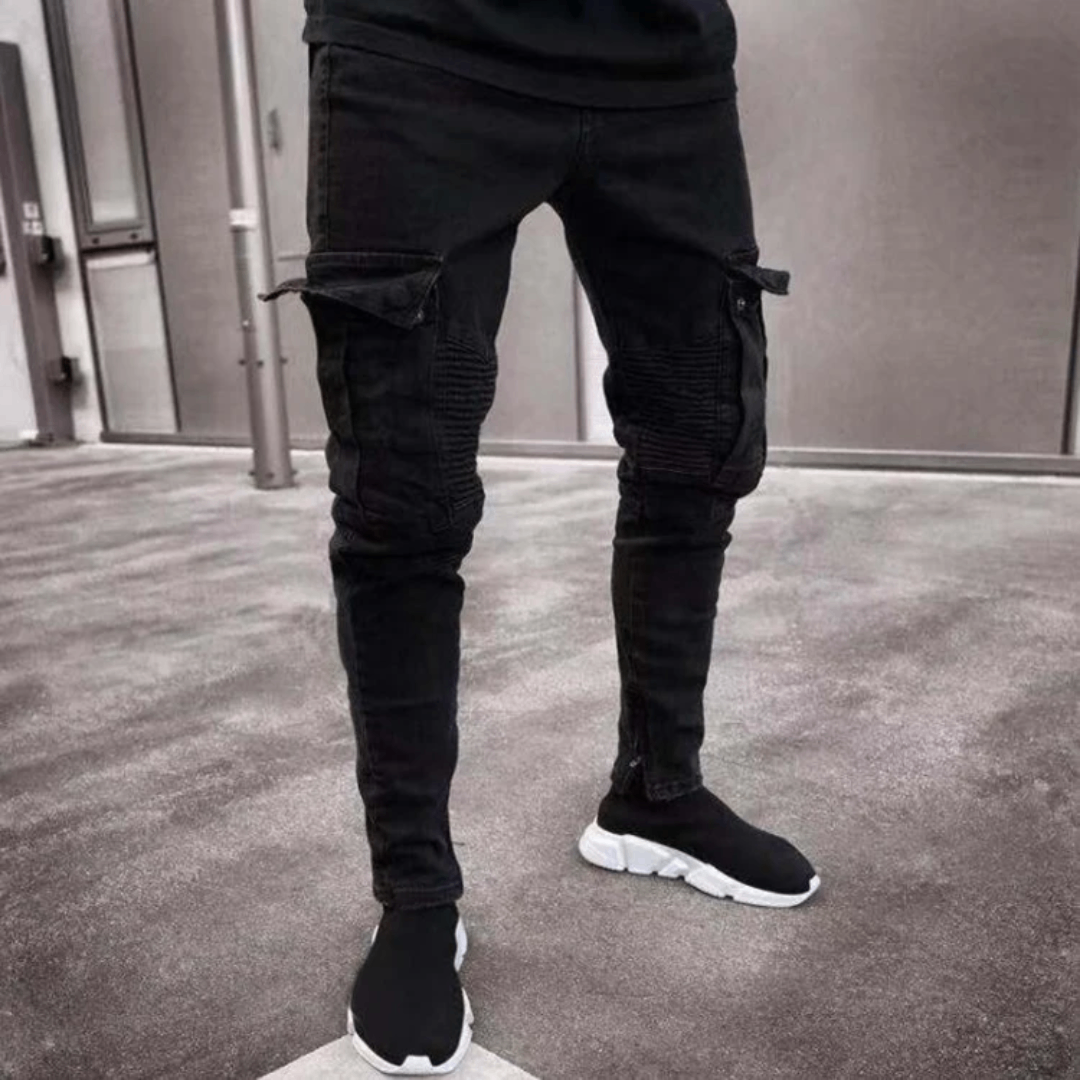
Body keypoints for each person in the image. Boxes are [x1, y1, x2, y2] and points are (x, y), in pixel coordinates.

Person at [261, 1, 819, 1073]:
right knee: (405, 492)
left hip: (664, 56)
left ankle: (657, 795)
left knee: (701, 443)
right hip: (421, 44)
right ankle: (417, 895)